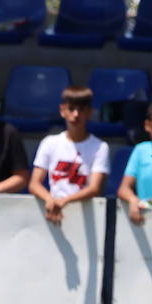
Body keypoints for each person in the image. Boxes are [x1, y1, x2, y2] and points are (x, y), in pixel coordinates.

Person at [29, 86, 110, 225]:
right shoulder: (49, 143)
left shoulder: (100, 147)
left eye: (81, 110)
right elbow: (34, 184)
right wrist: (49, 199)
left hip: (86, 217)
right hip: (53, 211)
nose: (76, 115)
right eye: (71, 109)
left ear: (89, 112)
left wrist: (65, 201)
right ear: (62, 111)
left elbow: (94, 188)